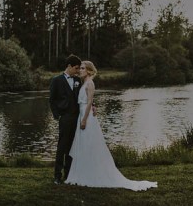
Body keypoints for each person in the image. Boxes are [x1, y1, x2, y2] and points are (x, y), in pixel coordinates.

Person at [65, 61, 157, 191]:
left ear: (89, 71)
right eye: (80, 68)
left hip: (87, 117)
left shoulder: (90, 83)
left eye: (82, 68)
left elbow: (90, 102)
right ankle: (83, 173)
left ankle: (90, 175)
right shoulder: (83, 83)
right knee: (84, 145)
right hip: (82, 115)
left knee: (89, 144)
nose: (80, 70)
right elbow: (89, 102)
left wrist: (85, 119)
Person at [49, 54, 82, 184]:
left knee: (72, 147)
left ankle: (69, 175)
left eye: (79, 68)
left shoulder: (78, 81)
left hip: (76, 118)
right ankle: (57, 176)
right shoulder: (56, 80)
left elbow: (83, 97)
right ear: (69, 66)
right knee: (62, 146)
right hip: (65, 117)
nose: (78, 71)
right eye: (76, 68)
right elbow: (52, 100)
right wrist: (57, 116)